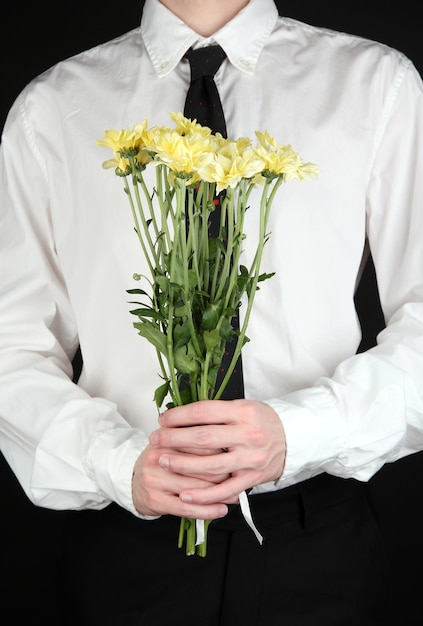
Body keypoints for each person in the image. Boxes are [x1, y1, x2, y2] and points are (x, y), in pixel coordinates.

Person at [1, 0, 423, 624]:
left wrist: (298, 432)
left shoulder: (374, 85)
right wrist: (118, 463)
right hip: (129, 551)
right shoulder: (54, 109)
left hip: (317, 544)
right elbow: (12, 349)